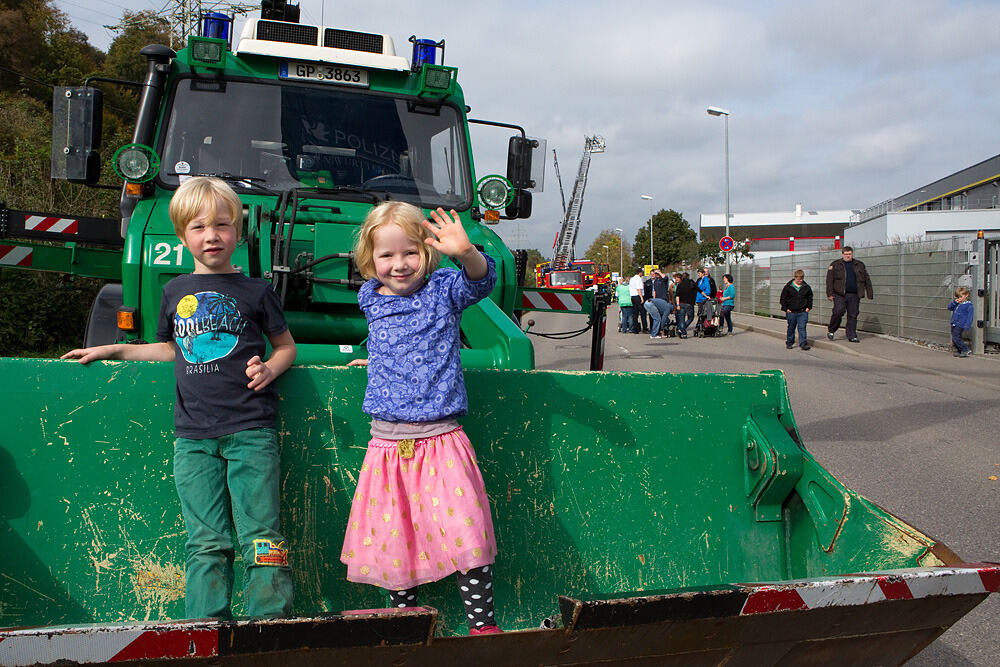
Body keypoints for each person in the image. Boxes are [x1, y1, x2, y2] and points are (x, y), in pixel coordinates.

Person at [62, 176, 297, 619]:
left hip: (251, 432)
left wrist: (270, 368)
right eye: (199, 227)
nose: (212, 235)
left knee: (262, 534)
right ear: (182, 235)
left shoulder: (256, 291)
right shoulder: (174, 291)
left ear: (238, 232)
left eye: (223, 225)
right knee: (206, 539)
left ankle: (270, 624)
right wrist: (114, 348)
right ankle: (205, 626)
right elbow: (171, 349)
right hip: (193, 439)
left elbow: (285, 346)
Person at [342, 202, 501, 635]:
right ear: (369, 261)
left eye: (410, 252)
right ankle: (407, 624)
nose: (399, 264)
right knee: (397, 542)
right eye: (387, 255)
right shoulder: (369, 298)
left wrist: (466, 253)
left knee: (466, 536)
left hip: (440, 438)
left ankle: (482, 626)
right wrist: (375, 364)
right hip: (388, 445)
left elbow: (481, 281)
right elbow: (386, 338)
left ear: (428, 253)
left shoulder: (443, 290)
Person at [826, 246, 873, 343]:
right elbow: (829, 280)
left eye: (849, 254)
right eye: (846, 254)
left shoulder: (859, 265)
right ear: (842, 254)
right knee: (838, 311)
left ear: (852, 254)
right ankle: (831, 330)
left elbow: (866, 279)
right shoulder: (835, 264)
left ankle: (852, 335)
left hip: (854, 294)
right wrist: (829, 293)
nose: (848, 256)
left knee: (853, 315)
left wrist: (869, 293)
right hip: (840, 294)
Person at [780, 269, 813, 350]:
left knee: (802, 327)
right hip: (791, 311)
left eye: (801, 279)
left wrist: (809, 307)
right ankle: (789, 342)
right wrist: (786, 308)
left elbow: (810, 298)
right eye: (798, 279)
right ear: (795, 278)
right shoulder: (788, 287)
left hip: (802, 311)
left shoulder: (806, 287)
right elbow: (782, 299)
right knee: (791, 327)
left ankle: (803, 343)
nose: (799, 281)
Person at [644, 270, 673, 339]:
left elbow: (666, 277)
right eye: (653, 274)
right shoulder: (655, 281)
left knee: (662, 318)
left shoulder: (663, 280)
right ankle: (656, 332)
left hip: (663, 299)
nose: (654, 275)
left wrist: (659, 272)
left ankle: (660, 331)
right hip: (656, 301)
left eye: (655, 274)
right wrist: (654, 299)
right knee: (658, 318)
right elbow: (654, 291)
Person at [948, 286, 974, 358]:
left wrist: (967, 325)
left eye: (961, 296)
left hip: (960, 324)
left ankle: (965, 349)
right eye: (958, 297)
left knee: (956, 337)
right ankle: (960, 350)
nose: (959, 298)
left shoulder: (969, 306)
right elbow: (949, 308)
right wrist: (954, 302)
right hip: (954, 323)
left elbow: (970, 317)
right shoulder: (957, 304)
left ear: (966, 295)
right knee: (955, 337)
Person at [674, 271, 696, 339]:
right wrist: (706, 295)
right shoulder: (691, 283)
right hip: (689, 303)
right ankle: (682, 329)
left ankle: (683, 332)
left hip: (681, 304)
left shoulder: (679, 285)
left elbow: (677, 296)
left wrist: (677, 305)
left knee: (681, 319)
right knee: (691, 318)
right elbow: (698, 290)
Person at [628, 268, 647, 333]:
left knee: (635, 314)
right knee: (643, 313)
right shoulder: (638, 279)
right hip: (638, 296)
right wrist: (641, 298)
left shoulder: (632, 279)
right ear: (640, 273)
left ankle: (635, 329)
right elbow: (639, 289)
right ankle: (644, 328)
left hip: (633, 297)